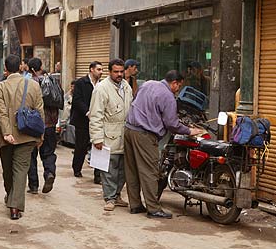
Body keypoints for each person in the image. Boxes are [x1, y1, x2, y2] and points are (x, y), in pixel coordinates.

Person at [124, 70, 202, 219]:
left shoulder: (147, 84)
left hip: (129, 129)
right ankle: (153, 209)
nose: (178, 89)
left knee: (132, 169)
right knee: (150, 171)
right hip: (144, 134)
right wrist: (190, 130)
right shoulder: (168, 96)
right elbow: (172, 124)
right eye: (179, 86)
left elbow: (137, 101)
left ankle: (135, 205)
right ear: (174, 83)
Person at [0, 55, 44, 220]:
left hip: (5, 136)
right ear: (21, 67)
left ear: (5, 69)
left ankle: (12, 201)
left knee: (7, 171)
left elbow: (1, 113)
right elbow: (39, 111)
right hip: (27, 134)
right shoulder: (34, 86)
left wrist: (7, 133)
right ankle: (14, 205)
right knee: (20, 171)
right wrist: (40, 135)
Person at [89, 59, 132, 211]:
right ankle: (110, 198)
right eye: (116, 72)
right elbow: (95, 115)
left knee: (123, 170)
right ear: (109, 72)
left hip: (125, 135)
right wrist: (97, 138)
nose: (119, 74)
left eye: (121, 71)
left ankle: (117, 194)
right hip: (108, 136)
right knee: (108, 170)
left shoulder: (126, 86)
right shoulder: (101, 89)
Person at [27, 58, 59, 194]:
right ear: (41, 67)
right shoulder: (51, 80)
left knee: (31, 155)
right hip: (50, 124)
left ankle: (33, 185)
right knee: (48, 153)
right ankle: (49, 173)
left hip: (33, 125)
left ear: (30, 69)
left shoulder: (29, 83)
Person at [70, 61, 103, 182]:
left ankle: (98, 175)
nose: (100, 72)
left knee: (98, 145)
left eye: (101, 70)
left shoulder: (102, 85)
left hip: (98, 120)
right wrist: (87, 112)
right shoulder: (81, 83)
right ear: (91, 70)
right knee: (81, 146)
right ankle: (77, 168)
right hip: (83, 120)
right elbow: (77, 100)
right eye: (98, 69)